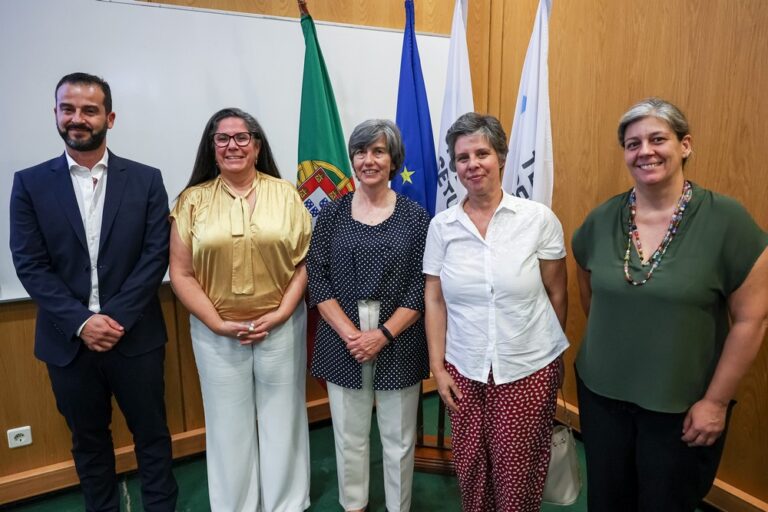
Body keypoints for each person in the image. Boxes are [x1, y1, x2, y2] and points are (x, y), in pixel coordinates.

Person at [572, 98, 768, 512]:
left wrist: (715, 402)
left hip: (681, 407)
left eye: (658, 138)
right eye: (633, 143)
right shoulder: (603, 218)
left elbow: (752, 319)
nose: (645, 151)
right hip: (602, 396)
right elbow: (589, 288)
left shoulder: (727, 221)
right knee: (608, 501)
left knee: (667, 504)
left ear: (685, 145)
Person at [9, 72, 177, 511]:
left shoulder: (146, 180)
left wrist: (113, 319)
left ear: (110, 117)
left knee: (153, 437)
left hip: (136, 336)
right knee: (88, 442)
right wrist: (83, 322)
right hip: (68, 342)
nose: (77, 118)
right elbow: (29, 263)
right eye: (68, 109)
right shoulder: (29, 184)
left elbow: (155, 255)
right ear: (56, 114)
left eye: (89, 109)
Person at [423, 112, 569, 512]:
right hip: (463, 366)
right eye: (462, 157)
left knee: (516, 469)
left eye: (481, 153)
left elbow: (557, 293)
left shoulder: (537, 220)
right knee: (470, 465)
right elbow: (434, 298)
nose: (472, 164)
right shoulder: (442, 227)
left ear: (501, 157)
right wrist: (438, 368)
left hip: (527, 366)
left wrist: (552, 359)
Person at [169, 107, 312, 511]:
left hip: (281, 325)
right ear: (212, 148)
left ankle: (286, 503)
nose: (233, 145)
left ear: (257, 145)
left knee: (282, 418)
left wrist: (283, 312)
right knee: (227, 425)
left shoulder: (285, 193)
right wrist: (217, 323)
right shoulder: (191, 201)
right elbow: (180, 274)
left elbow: (305, 263)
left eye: (241, 137)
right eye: (222, 138)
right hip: (216, 333)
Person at [306, 119, 430, 512]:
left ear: (393, 160)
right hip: (342, 337)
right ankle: (354, 505)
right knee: (349, 434)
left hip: (400, 337)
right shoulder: (331, 215)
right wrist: (351, 335)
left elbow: (420, 284)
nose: (368, 159)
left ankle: (399, 506)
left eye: (378, 151)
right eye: (360, 151)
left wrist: (383, 335)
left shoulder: (415, 217)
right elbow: (318, 277)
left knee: (398, 438)